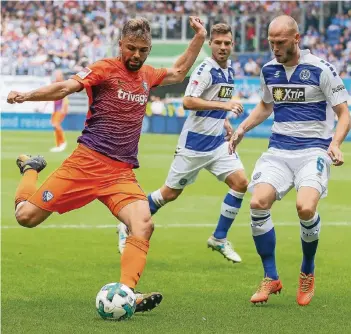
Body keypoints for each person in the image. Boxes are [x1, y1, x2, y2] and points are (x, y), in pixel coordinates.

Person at [7, 17, 207, 315]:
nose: (136, 55)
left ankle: (127, 293)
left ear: (149, 49)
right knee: (25, 217)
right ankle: (31, 168)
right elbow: (65, 88)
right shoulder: (104, 69)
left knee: (143, 224)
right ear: (120, 45)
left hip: (120, 173)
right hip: (85, 165)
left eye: (142, 50)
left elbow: (178, 72)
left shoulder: (148, 75)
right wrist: (27, 95)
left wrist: (200, 37)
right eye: (131, 48)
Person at [229, 15, 351, 306]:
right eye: (271, 42)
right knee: (258, 203)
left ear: (296, 39)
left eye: (280, 42)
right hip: (279, 151)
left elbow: (344, 112)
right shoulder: (269, 69)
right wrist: (243, 128)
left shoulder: (321, 69)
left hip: (313, 151)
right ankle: (271, 277)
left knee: (305, 207)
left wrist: (335, 143)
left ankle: (307, 270)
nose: (274, 48)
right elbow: (265, 105)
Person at [118, 23, 248, 263]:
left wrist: (225, 123)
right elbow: (188, 102)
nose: (222, 47)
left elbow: (215, 103)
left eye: (227, 43)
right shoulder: (205, 69)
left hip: (218, 144)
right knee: (169, 194)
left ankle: (219, 238)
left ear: (232, 45)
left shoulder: (229, 71)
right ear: (211, 45)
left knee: (240, 183)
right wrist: (224, 106)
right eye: (218, 43)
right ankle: (127, 224)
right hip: (194, 146)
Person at [50, 70, 69, 153]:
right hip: (55, 108)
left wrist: (63, 107)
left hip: (60, 108)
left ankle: (63, 142)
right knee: (54, 125)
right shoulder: (54, 83)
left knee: (56, 124)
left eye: (59, 74)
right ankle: (59, 144)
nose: (57, 76)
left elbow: (65, 97)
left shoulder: (64, 84)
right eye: (56, 74)